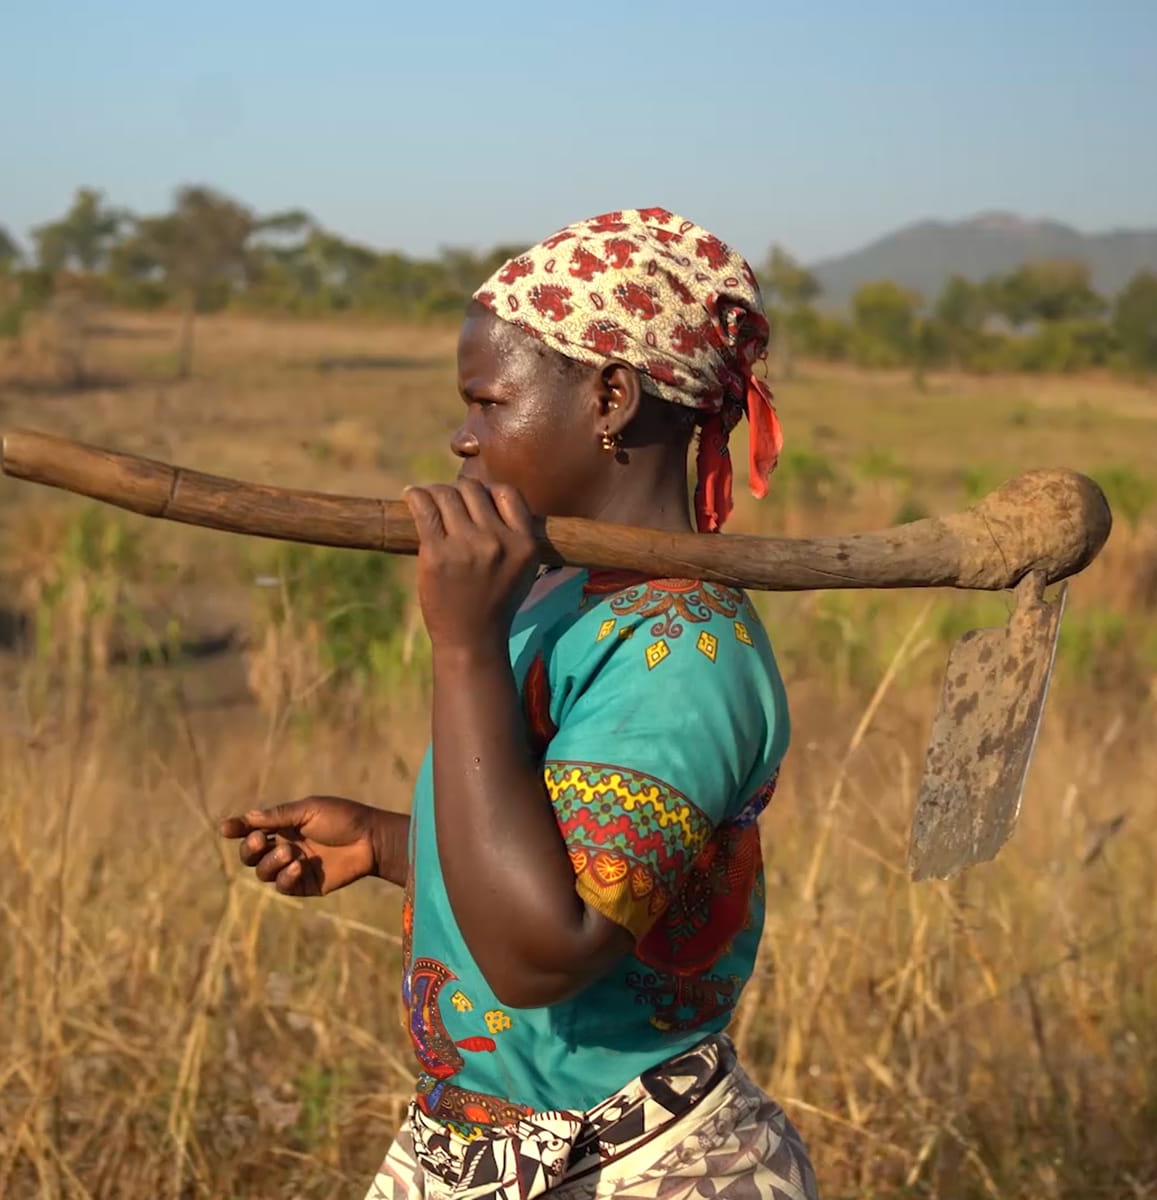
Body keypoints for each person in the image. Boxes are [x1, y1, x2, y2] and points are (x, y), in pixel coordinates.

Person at [220, 208, 818, 1199]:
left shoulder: (683, 652)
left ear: (612, 399)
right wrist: (382, 841)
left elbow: (545, 952)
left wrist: (460, 646)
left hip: (632, 1164)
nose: (461, 439)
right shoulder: (557, 597)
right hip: (493, 1154)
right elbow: (548, 851)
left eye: (488, 403)